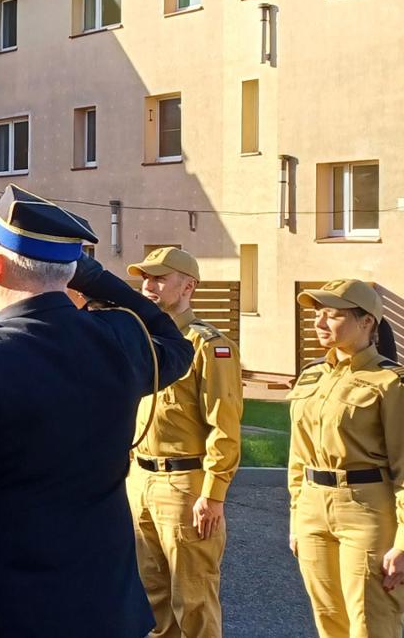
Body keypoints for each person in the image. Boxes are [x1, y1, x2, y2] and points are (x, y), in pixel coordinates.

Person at [0, 185, 192, 637]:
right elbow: (175, 343)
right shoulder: (118, 339)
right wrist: (96, 279)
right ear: (73, 270)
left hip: (7, 617)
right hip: (107, 614)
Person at [288, 279, 404, 638]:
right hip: (313, 511)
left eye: (333, 316)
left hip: (367, 512)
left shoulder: (393, 382)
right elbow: (298, 455)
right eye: (318, 315)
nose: (320, 323)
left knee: (372, 626)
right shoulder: (311, 376)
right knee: (329, 623)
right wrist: (297, 515)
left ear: (367, 322)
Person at [126, 247, 243, 638]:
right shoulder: (142, 338)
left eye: (159, 278)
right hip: (140, 479)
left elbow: (224, 428)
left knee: (193, 602)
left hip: (185, 486)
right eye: (145, 277)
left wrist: (213, 494)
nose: (148, 286)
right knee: (151, 600)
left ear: (188, 286)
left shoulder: (207, 345)